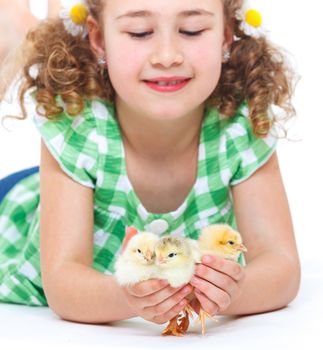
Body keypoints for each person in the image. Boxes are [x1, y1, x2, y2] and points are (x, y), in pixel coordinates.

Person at [0, 0, 300, 326]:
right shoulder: (76, 123)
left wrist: (236, 291)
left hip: (87, 182)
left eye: (192, 30)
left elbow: (282, 266)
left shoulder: (242, 124)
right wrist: (123, 295)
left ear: (226, 38)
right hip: (20, 203)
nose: (167, 56)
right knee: (44, 59)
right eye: (140, 32)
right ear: (99, 40)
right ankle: (20, 28)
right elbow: (62, 284)